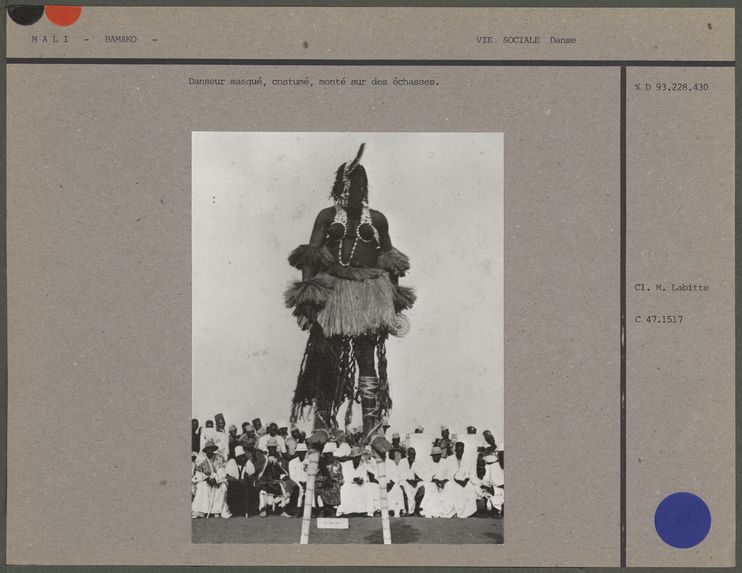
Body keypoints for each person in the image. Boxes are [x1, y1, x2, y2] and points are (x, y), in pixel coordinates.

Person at [285, 144, 416, 442]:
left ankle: (371, 425)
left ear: (366, 187)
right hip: (335, 293)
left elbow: (390, 259)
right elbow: (310, 256)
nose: (354, 191)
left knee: (367, 357)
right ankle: (322, 422)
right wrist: (309, 298)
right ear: (339, 186)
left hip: (370, 294)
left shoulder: (378, 220)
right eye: (349, 185)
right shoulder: (327, 216)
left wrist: (394, 302)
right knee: (326, 356)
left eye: (359, 185)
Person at [192, 438, 231, 519]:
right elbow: (199, 473)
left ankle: (216, 511)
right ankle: (200, 511)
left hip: (217, 479)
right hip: (204, 480)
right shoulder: (201, 460)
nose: (210, 451)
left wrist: (215, 479)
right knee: (203, 487)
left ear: (214, 449)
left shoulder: (219, 458)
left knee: (222, 487)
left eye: (211, 449)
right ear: (205, 450)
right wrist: (207, 479)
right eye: (208, 449)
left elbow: (221, 470)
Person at [336, 446, 378, 517]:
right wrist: (354, 479)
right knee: (345, 489)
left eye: (358, 457)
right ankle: (346, 511)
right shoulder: (346, 464)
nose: (357, 459)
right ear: (352, 458)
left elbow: (372, 472)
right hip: (349, 484)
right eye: (355, 457)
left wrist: (361, 480)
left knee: (368, 489)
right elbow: (346, 477)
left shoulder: (363, 464)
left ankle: (369, 512)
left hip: (361, 484)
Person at [256, 438, 292, 517]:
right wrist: (267, 463)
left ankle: (283, 510)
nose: (272, 449)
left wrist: (277, 464)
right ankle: (263, 509)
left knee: (283, 486)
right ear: (268, 448)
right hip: (264, 480)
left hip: (276, 480)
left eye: (274, 447)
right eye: (270, 447)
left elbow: (283, 471)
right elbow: (259, 471)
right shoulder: (263, 457)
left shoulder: (279, 457)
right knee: (263, 490)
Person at [419, 446, 455, 518]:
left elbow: (449, 474)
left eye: (438, 455)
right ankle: (433, 511)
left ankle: (446, 511)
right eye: (434, 455)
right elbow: (425, 475)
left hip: (443, 483)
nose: (436, 457)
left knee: (451, 486)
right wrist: (434, 480)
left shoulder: (445, 462)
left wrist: (444, 481)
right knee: (430, 488)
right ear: (432, 456)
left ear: (440, 455)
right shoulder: (428, 463)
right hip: (433, 483)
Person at [446, 441, 478, 518]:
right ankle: (454, 511)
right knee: (450, 488)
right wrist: (455, 480)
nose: (459, 452)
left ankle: (468, 512)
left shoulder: (468, 460)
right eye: (458, 450)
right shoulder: (449, 459)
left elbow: (472, 474)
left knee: (470, 488)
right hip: (452, 481)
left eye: (461, 450)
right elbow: (447, 473)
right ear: (455, 450)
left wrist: (466, 480)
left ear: (463, 450)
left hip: (465, 482)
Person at [225, 445, 255, 517]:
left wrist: (246, 479)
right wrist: (238, 481)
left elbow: (252, 476)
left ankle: (246, 511)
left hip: (245, 484)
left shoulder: (248, 462)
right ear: (236, 458)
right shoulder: (231, 462)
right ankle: (235, 510)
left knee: (247, 487)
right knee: (232, 487)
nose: (242, 459)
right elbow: (228, 477)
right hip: (235, 484)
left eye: (243, 456)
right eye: (240, 457)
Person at [315, 442, 344, 517]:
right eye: (327, 454)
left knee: (333, 487)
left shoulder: (337, 464)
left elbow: (340, 478)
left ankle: (331, 509)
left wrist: (334, 481)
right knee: (321, 488)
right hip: (321, 483)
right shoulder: (320, 464)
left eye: (330, 453)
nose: (329, 456)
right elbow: (316, 476)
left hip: (333, 484)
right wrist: (324, 480)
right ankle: (323, 509)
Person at [398, 447, 424, 516]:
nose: (413, 455)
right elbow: (400, 474)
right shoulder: (402, 461)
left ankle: (418, 509)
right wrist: (409, 481)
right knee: (406, 488)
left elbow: (421, 474)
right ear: (408, 454)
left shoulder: (418, 462)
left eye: (414, 454)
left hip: (415, 482)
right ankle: (410, 511)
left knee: (422, 486)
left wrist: (416, 481)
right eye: (411, 454)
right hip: (405, 481)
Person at [288, 443, 309, 515]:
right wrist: (299, 483)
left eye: (303, 452)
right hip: (296, 483)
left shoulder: (308, 462)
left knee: (310, 489)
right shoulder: (292, 462)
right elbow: (292, 477)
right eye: (300, 452)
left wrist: (306, 482)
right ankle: (298, 509)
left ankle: (313, 509)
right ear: (297, 453)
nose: (302, 454)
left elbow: (310, 475)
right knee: (300, 489)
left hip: (307, 482)